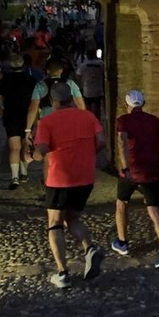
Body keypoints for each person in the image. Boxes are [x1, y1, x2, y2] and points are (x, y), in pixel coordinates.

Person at [32, 83, 106, 289]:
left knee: (55, 223)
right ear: (71, 98)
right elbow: (101, 141)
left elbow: (43, 149)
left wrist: (34, 154)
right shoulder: (88, 117)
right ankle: (89, 248)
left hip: (60, 178)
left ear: (53, 101)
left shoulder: (47, 122)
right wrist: (88, 153)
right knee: (73, 217)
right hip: (85, 176)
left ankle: (62, 273)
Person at [111, 90, 159, 269]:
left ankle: (122, 242)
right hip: (150, 171)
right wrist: (153, 159)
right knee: (154, 209)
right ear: (143, 103)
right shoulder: (154, 121)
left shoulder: (123, 121)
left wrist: (125, 166)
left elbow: (122, 142)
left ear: (126, 104)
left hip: (131, 171)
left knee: (122, 203)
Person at [0, 55, 38, 190]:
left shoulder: (5, 80)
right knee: (26, 144)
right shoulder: (31, 80)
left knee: (14, 147)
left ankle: (14, 177)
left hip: (11, 116)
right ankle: (24, 173)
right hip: (27, 116)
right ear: (23, 65)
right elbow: (36, 101)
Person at [77, 50, 105, 127]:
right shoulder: (101, 64)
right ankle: (97, 123)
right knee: (98, 108)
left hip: (87, 90)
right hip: (98, 89)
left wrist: (80, 87)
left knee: (88, 107)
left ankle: (89, 123)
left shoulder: (83, 65)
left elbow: (78, 76)